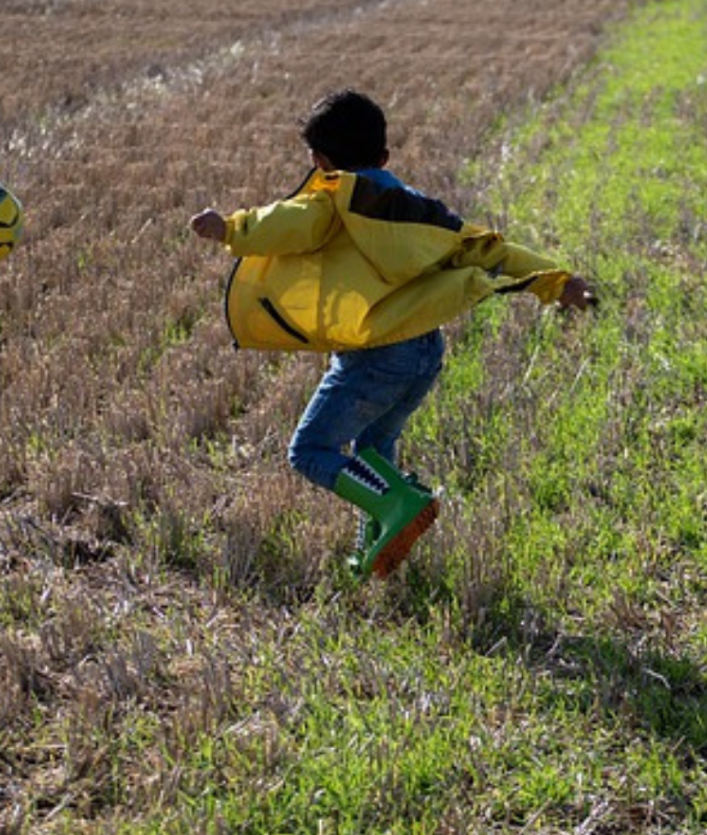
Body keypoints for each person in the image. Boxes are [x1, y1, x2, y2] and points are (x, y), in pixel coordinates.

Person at [191, 89, 594, 580]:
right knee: (375, 454)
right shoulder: (419, 212)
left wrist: (230, 228)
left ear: (320, 162)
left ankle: (400, 503)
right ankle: (375, 551)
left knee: (311, 450)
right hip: (424, 351)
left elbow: (288, 222)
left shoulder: (331, 199)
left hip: (374, 358)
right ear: (384, 156)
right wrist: (558, 281)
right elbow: (488, 249)